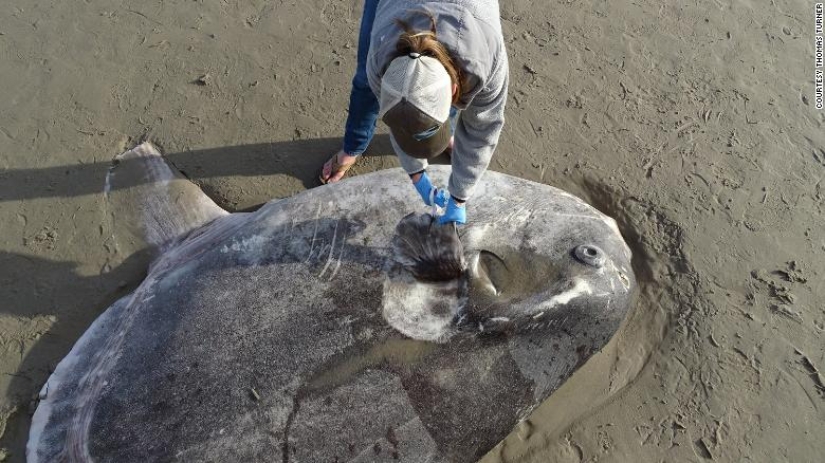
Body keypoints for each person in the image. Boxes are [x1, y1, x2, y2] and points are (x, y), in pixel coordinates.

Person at [319, 0, 509, 226]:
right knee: (364, 83)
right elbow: (400, 116)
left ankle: (440, 130)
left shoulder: (486, 60)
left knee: (432, 97)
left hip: (469, 12)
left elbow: (482, 133)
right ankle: (355, 146)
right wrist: (416, 175)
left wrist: (459, 197)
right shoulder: (380, 54)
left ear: (453, 88)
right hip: (394, 9)